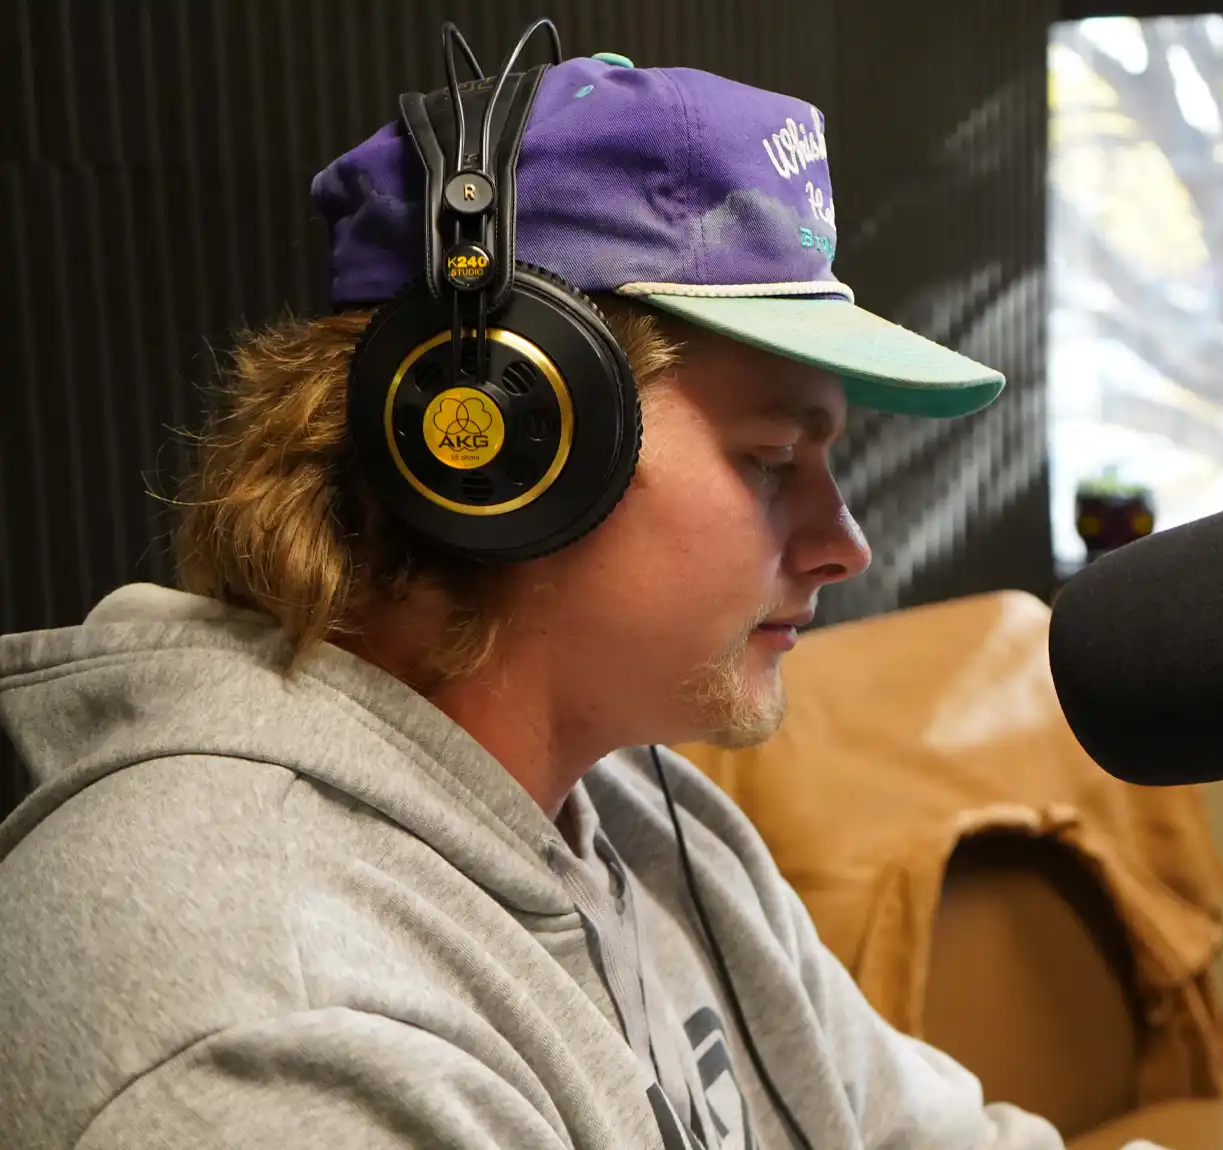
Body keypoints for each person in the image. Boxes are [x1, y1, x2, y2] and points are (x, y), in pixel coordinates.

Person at [0, 46, 1065, 1150]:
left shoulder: (654, 825)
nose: (846, 543)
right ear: (506, 450)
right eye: (770, 459)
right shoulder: (268, 1009)